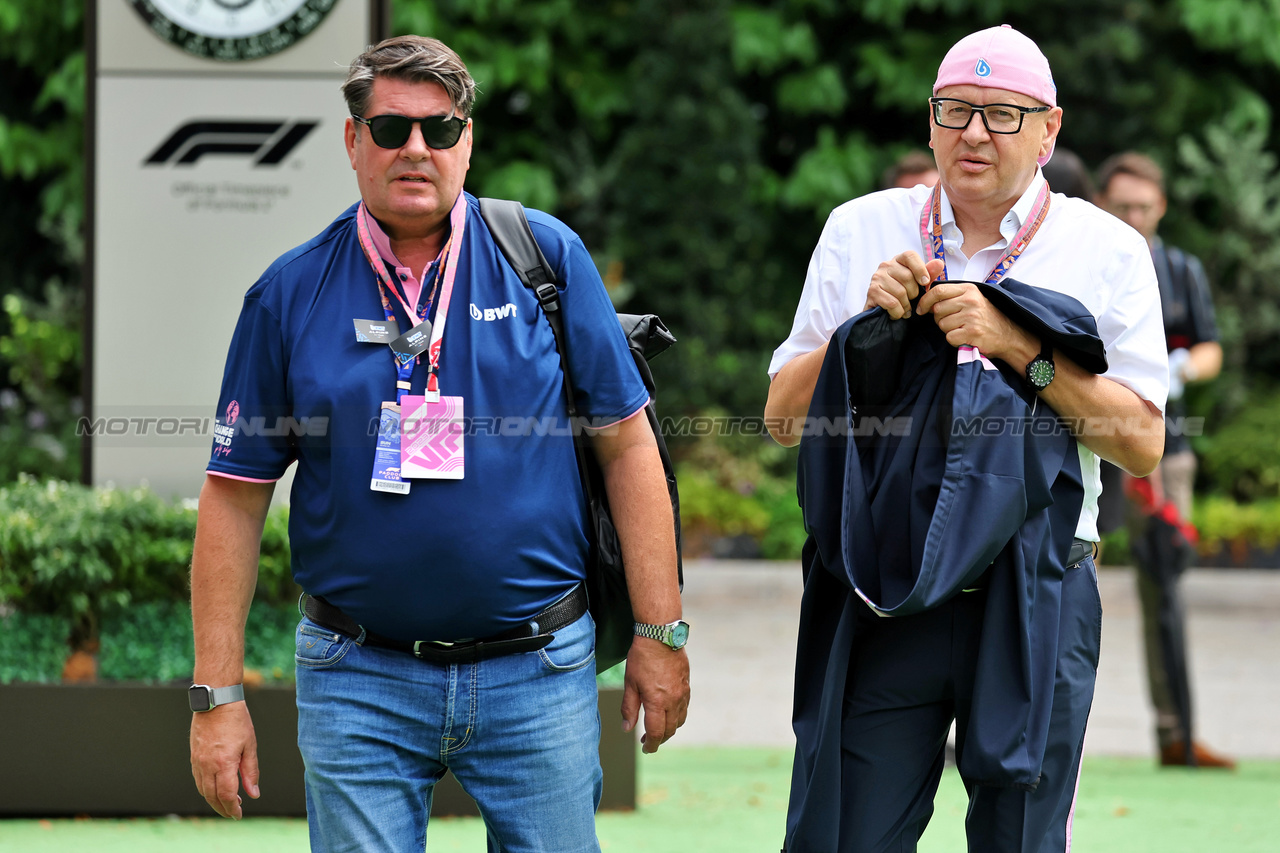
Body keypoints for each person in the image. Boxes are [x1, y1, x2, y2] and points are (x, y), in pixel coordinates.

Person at [187, 35, 690, 851]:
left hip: (540, 671)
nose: (416, 149)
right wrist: (217, 695)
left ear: (468, 141)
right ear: (353, 142)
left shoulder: (544, 258)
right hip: (359, 680)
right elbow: (234, 497)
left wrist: (660, 632)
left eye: (440, 129)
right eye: (390, 130)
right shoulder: (288, 292)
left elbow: (629, 449)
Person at [765, 25, 1167, 851]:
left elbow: (1140, 442)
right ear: (930, 122)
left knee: (1020, 834)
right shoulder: (862, 227)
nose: (975, 132)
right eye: (956, 110)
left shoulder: (1107, 248)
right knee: (847, 832)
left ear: (1049, 130)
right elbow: (779, 417)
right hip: (887, 583)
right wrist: (862, 325)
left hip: (1037, 586)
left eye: (1002, 114)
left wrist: (1019, 344)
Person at [1096, 151, 1232, 769]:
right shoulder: (1081, 258)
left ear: (1162, 209)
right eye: (1123, 205)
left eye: (1144, 207)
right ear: (1103, 203)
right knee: (1044, 576)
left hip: (1164, 452)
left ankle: (1176, 735)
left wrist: (1181, 370)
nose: (1134, 217)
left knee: (1165, 590)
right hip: (1084, 448)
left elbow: (1210, 349)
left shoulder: (1181, 269)